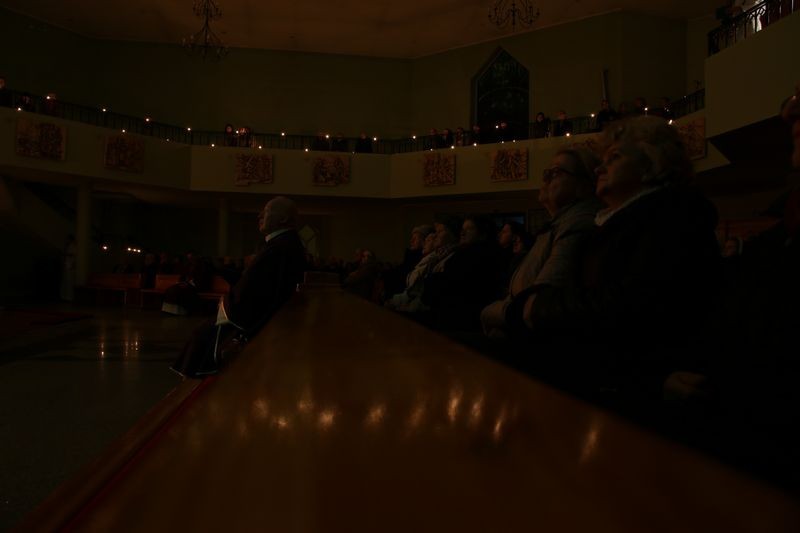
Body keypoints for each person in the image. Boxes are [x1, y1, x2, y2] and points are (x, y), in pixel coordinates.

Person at [511, 116, 721, 403]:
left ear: (651, 164)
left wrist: (536, 307)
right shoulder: (620, 223)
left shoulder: (671, 219)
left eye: (614, 158)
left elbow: (633, 309)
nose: (599, 168)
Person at [172, 196, 307, 377]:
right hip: (259, 314)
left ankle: (202, 385)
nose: (259, 216)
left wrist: (226, 303)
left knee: (201, 336)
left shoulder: (279, 247)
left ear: (283, 219)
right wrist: (221, 271)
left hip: (256, 322)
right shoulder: (283, 244)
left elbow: (256, 292)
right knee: (202, 333)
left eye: (266, 211)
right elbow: (252, 281)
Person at [482, 147, 603, 338]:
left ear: (583, 185)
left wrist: (491, 313)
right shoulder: (556, 225)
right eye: (547, 172)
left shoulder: (577, 222)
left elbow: (540, 299)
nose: (545, 178)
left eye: (556, 172)